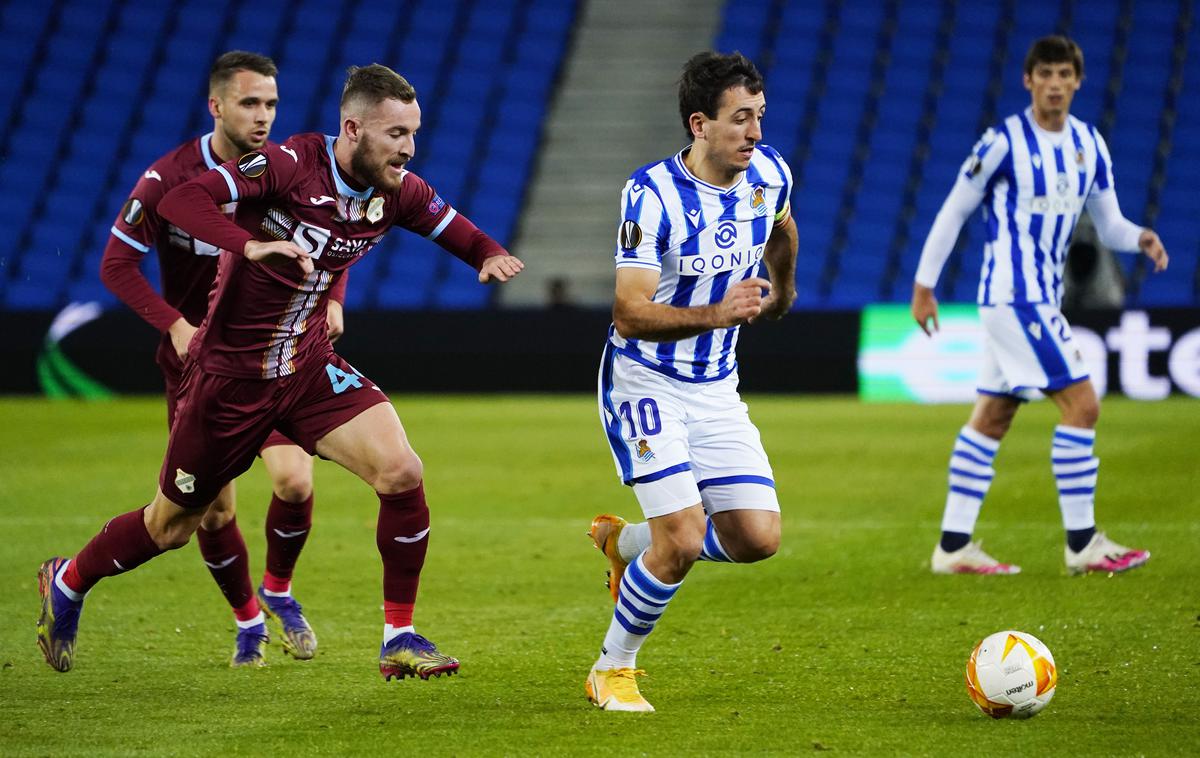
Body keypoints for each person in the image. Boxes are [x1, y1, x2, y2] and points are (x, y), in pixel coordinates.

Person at [37, 64, 524, 680]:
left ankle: (398, 635)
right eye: (396, 133)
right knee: (171, 526)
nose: (408, 148)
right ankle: (70, 579)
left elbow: (449, 225)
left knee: (401, 471)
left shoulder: (395, 189)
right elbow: (183, 199)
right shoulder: (289, 165)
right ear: (352, 128)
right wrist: (250, 244)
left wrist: (487, 253)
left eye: (413, 133)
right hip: (229, 383)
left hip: (307, 366)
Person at [101, 51, 329, 668]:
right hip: (198, 364)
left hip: (268, 356)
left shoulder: (284, 169)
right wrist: (174, 325)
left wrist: (332, 297)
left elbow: (332, 234)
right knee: (211, 509)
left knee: (295, 478)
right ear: (217, 105)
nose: (263, 116)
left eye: (272, 104)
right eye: (250, 103)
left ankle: (278, 593)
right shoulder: (167, 177)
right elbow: (115, 266)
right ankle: (247, 621)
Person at [584, 51, 798, 712]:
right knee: (681, 539)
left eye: (759, 117)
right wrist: (718, 312)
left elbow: (782, 227)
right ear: (700, 124)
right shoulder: (649, 196)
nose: (755, 133)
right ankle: (611, 670)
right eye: (740, 120)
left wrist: (783, 292)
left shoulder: (769, 174)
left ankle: (624, 544)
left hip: (716, 388)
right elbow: (630, 310)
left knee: (756, 539)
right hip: (645, 382)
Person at [911, 35, 1169, 576]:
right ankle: (1082, 544)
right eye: (1044, 74)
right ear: (1028, 81)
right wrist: (924, 285)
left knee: (993, 416)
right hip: (1013, 294)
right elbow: (955, 210)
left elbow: (1110, 224)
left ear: (1077, 81)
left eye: (1064, 74)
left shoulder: (1089, 144)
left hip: (1034, 296)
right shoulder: (1002, 142)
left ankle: (953, 547)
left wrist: (1141, 236)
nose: (1054, 83)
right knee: (1083, 405)